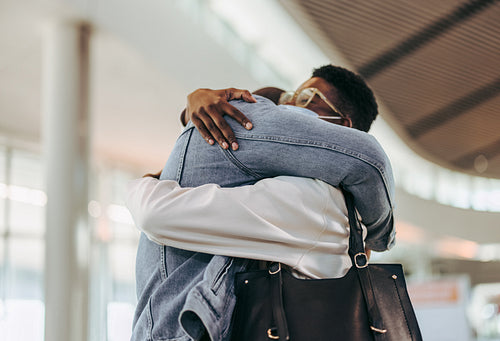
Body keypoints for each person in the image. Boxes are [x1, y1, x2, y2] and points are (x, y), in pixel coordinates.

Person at [128, 65, 395, 341]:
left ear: (343, 129)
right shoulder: (313, 196)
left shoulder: (314, 199)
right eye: (290, 97)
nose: (288, 105)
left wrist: (141, 186)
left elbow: (156, 213)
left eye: (306, 99)